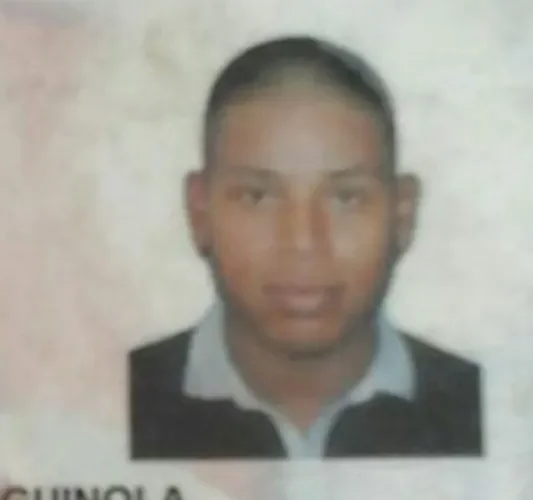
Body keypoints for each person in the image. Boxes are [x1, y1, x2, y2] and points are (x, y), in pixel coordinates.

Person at [129, 35, 483, 459]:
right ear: (200, 212)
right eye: (257, 196)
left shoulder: (486, 408)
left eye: (346, 198)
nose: (303, 244)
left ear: (402, 214)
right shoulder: (110, 399)